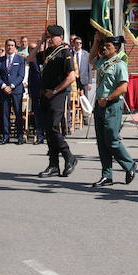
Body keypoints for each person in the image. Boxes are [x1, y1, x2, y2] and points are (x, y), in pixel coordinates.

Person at [88, 33, 136, 188]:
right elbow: (90, 60)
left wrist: (108, 99)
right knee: (102, 142)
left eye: (108, 46)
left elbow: (123, 87)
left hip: (112, 105)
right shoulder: (102, 61)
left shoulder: (120, 64)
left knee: (112, 139)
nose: (105, 47)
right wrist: (95, 41)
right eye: (104, 45)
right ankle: (106, 175)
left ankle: (129, 165)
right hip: (99, 105)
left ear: (116, 48)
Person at [32, 25, 78, 178]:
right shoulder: (47, 52)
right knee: (48, 131)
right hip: (45, 94)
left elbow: (71, 77)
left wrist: (56, 91)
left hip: (57, 94)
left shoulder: (65, 53)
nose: (50, 38)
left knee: (53, 127)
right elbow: (30, 58)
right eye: (49, 35)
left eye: (53, 36)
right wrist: (41, 42)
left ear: (61, 37)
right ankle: (53, 165)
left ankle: (68, 156)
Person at [0, 39, 27, 145]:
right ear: (5, 46)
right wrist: (3, 86)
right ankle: (5, 136)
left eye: (12, 45)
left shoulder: (20, 59)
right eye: (8, 45)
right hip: (4, 91)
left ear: (15, 47)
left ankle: (20, 136)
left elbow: (21, 75)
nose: (10, 47)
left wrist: (12, 86)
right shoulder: (0, 60)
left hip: (16, 90)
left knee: (18, 113)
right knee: (5, 114)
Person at [70, 36, 92, 118]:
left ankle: (85, 117)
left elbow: (89, 68)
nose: (79, 44)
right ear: (73, 44)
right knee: (74, 98)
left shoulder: (86, 54)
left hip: (84, 79)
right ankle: (74, 116)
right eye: (77, 43)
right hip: (73, 80)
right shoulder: (70, 53)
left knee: (84, 98)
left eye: (80, 43)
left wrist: (90, 82)